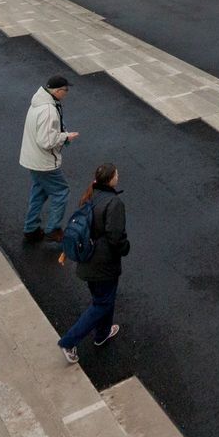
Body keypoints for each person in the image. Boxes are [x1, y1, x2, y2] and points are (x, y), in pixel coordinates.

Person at [58, 163, 128, 364]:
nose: (118, 175)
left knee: (104, 299)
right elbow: (116, 237)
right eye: (116, 173)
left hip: (87, 261)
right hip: (103, 265)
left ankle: (102, 333)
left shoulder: (89, 196)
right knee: (101, 303)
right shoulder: (114, 203)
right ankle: (68, 341)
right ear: (111, 179)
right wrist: (126, 248)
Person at [20, 75, 78, 245]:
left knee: (39, 191)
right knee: (61, 191)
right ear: (57, 91)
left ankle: (31, 229)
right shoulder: (49, 110)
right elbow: (46, 141)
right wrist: (66, 137)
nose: (66, 94)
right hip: (44, 162)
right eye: (65, 90)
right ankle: (53, 229)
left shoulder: (38, 103)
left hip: (32, 159)